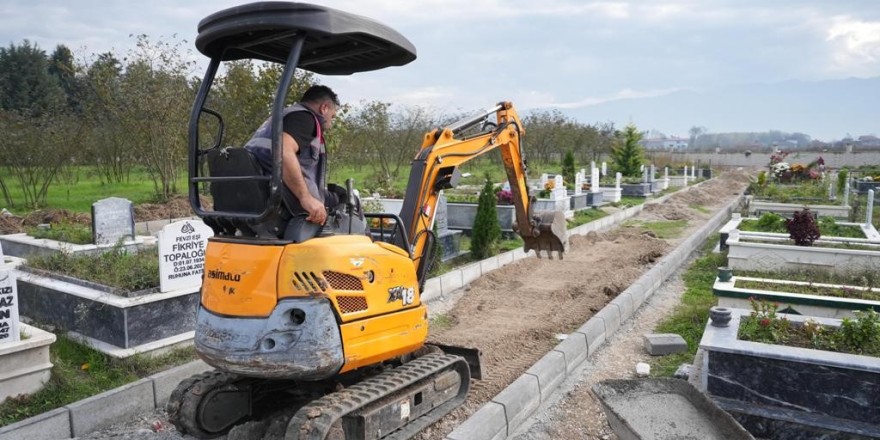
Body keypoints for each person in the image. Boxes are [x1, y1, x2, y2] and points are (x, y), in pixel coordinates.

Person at [244, 85, 340, 240]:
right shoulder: (305, 118)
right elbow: (282, 151)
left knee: (337, 197)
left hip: (258, 192)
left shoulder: (280, 117)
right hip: (282, 202)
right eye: (333, 117)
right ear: (324, 108)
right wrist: (306, 198)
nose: (330, 123)